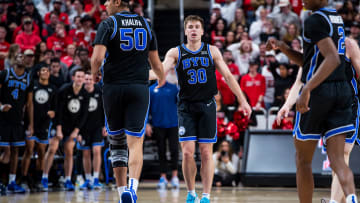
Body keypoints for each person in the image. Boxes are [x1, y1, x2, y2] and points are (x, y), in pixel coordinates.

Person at [267, 1, 358, 202]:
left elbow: (332, 59)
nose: (302, 1)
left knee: (303, 160)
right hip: (341, 90)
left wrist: (307, 88)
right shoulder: (336, 18)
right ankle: (351, 198)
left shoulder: (313, 19)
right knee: (338, 160)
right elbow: (311, 62)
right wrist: (283, 48)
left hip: (319, 91)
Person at [160, 15, 251, 203]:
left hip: (207, 105)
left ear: (202, 31)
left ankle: (206, 196)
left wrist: (242, 100)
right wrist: (136, 74)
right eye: (190, 27)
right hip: (186, 106)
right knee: (186, 152)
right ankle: (191, 192)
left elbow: (228, 75)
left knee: (206, 152)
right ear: (185, 31)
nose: (193, 30)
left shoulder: (212, 51)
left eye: (196, 27)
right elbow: (160, 71)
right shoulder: (175, 52)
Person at [91, 0, 165, 202]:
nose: (104, 4)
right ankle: (132, 189)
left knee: (116, 142)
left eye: (107, 1)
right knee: (135, 143)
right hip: (138, 88)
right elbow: (155, 61)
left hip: (113, 88)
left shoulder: (108, 24)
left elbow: (97, 58)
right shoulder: (145, 24)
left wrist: (94, 74)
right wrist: (161, 76)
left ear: (116, 1)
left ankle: (121, 190)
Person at [41, 68, 89, 191]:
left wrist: (76, 131)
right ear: (73, 77)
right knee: (52, 148)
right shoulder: (64, 90)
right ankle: (44, 178)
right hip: (59, 124)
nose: (80, 79)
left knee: (69, 150)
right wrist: (58, 129)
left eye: (82, 77)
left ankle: (68, 180)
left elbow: (84, 115)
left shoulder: (85, 94)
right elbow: (58, 111)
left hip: (72, 127)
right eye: (78, 76)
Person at [0, 53, 33, 193]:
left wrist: (30, 124)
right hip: (3, 120)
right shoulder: (5, 74)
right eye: (20, 56)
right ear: (15, 59)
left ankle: (12, 182)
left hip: (18, 121)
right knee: (6, 151)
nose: (22, 58)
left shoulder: (28, 78)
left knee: (15, 151)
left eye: (25, 57)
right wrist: (1, 106)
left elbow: (30, 103)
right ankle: (1, 181)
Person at [21, 65, 57, 191]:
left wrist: (53, 112)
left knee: (42, 152)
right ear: (38, 73)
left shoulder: (53, 88)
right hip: (31, 123)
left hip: (44, 124)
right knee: (29, 150)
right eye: (43, 70)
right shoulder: (33, 85)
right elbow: (26, 103)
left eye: (47, 70)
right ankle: (24, 179)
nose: (45, 72)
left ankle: (38, 179)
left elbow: (55, 107)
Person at [146, 68, 180, 189]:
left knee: (174, 150)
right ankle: (163, 177)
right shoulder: (150, 90)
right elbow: (146, 109)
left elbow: (181, 102)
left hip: (173, 124)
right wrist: (147, 124)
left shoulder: (174, 88)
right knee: (161, 151)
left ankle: (175, 176)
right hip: (158, 125)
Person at [77, 72, 106, 190]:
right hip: (83, 129)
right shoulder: (80, 93)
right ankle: (88, 179)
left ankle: (95, 179)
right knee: (86, 153)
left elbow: (106, 110)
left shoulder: (100, 92)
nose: (88, 81)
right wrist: (77, 131)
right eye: (86, 79)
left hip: (97, 127)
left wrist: (106, 126)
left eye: (90, 79)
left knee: (97, 151)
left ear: (94, 81)